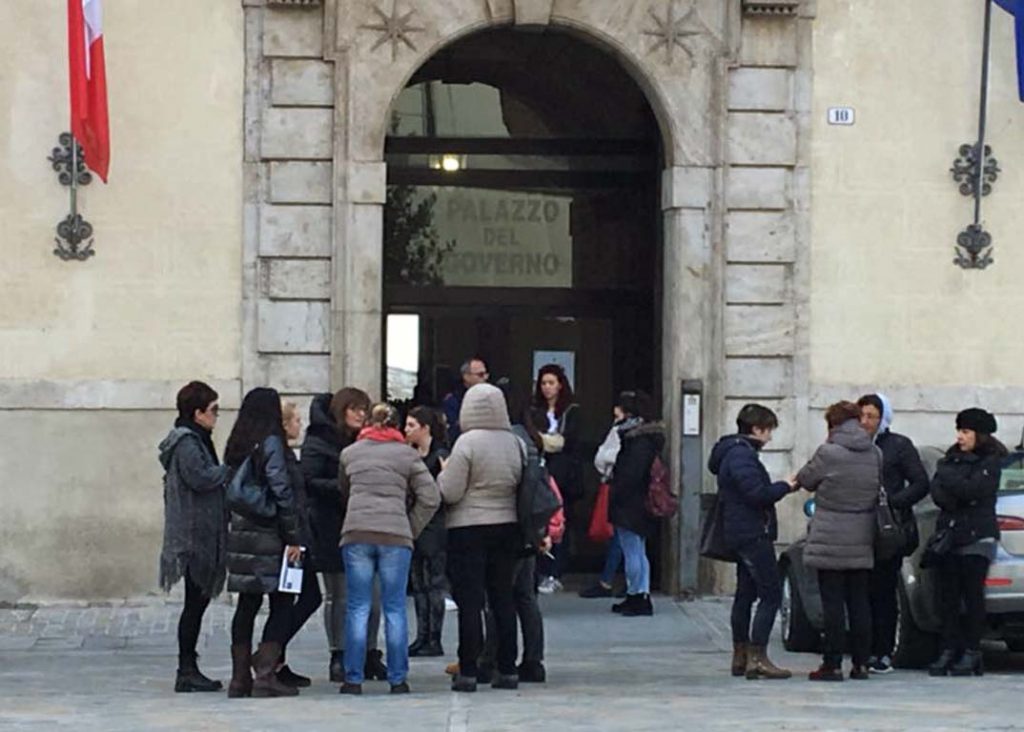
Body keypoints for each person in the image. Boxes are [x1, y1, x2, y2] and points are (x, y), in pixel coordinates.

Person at [338, 403, 441, 695]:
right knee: (394, 608)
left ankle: (353, 678)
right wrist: (410, 528)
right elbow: (431, 496)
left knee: (358, 607)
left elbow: (344, 490)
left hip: (357, 533)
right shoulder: (407, 456)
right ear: (396, 426)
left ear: (368, 423)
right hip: (395, 535)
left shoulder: (350, 453)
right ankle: (398, 679)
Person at [439, 383, 523, 692]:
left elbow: (450, 491)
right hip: (507, 525)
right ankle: (507, 668)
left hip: (468, 528)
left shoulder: (467, 443)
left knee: (470, 601)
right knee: (503, 598)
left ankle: (469, 670)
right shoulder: (515, 443)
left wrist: (443, 471)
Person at [300, 388, 384, 682]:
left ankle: (370, 652)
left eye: (364, 409)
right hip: (330, 525)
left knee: (373, 594)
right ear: (340, 410)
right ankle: (339, 653)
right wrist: (345, 487)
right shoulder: (318, 441)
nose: (361, 414)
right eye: (354, 408)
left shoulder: (367, 440)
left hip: (366, 521)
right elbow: (308, 481)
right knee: (340, 595)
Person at [708, 403, 796, 680]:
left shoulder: (732, 452)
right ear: (756, 429)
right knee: (770, 594)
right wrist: (785, 486)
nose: (770, 437)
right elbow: (757, 494)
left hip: (740, 532)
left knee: (745, 594)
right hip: (751, 533)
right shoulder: (741, 455)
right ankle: (757, 658)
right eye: (768, 430)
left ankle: (741, 655)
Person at [224, 387, 303, 698]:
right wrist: (293, 536)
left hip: (242, 533)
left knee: (247, 605)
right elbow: (281, 490)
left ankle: (239, 678)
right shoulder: (271, 442)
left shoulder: (238, 443)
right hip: (270, 534)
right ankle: (266, 674)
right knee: (283, 602)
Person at [797, 401, 882, 682]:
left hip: (829, 536)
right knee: (860, 602)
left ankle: (832, 664)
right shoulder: (875, 452)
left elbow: (807, 479)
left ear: (832, 423)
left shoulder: (829, 452)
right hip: (862, 533)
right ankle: (861, 663)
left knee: (832, 603)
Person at [158, 381, 231, 693]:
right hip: (193, 536)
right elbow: (200, 478)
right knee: (194, 604)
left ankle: (188, 667)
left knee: (196, 603)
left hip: (199, 532)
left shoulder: (197, 439)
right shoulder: (188, 443)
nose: (216, 416)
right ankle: (186, 669)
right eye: (213, 410)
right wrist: (230, 469)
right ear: (197, 413)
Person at [927, 408, 1005, 678]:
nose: (960, 437)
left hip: (977, 535)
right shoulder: (950, 458)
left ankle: (972, 650)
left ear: (979, 434)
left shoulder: (991, 461)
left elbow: (974, 490)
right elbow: (938, 492)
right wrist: (954, 485)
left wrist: (950, 480)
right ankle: (949, 648)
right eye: (959, 431)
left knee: (972, 595)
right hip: (950, 535)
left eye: (966, 431)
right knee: (948, 596)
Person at [857, 393, 930, 674]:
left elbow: (920, 483)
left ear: (883, 418)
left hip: (886, 530)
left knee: (884, 591)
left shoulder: (898, 445)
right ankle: (861, 649)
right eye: (862, 416)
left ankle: (882, 651)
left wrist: (893, 503)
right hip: (856, 528)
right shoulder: (852, 444)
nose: (865, 422)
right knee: (858, 591)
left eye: (871, 416)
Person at [274, 399, 321, 689]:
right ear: (283, 424)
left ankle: (274, 657)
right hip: (290, 539)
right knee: (301, 597)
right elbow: (285, 497)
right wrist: (293, 537)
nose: (299, 425)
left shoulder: (286, 453)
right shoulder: (279, 454)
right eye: (295, 420)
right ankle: (270, 655)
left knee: (296, 599)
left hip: (297, 535)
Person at [607, 390, 662, 617]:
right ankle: (639, 594)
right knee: (638, 550)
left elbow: (630, 475)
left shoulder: (637, 441)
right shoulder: (646, 439)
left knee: (632, 550)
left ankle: (638, 596)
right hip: (640, 502)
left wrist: (616, 490)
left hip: (631, 503)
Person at [405, 406, 450, 658]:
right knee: (418, 583)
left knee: (433, 583)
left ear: (425, 428)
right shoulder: (410, 454)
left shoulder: (440, 455)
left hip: (434, 525)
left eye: (412, 425)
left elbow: (446, 488)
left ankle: (434, 637)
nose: (406, 430)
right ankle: (422, 636)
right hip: (414, 523)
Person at [533, 364, 581, 594]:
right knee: (540, 523)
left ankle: (555, 572)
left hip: (562, 476)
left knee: (560, 524)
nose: (547, 387)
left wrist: (544, 441)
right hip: (541, 473)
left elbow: (568, 442)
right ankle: (541, 570)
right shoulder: (535, 410)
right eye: (543, 383)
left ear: (560, 385)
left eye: (551, 383)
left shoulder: (572, 411)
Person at [579, 406, 626, 599]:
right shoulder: (645, 432)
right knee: (629, 540)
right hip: (631, 489)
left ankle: (611, 581)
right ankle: (634, 584)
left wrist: (605, 467)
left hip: (616, 485)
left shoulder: (620, 431)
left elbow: (603, 458)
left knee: (621, 537)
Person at [442, 357, 490, 444]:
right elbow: (454, 428)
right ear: (466, 376)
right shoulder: (453, 400)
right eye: (480, 374)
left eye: (486, 374)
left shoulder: (491, 397)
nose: (485, 378)